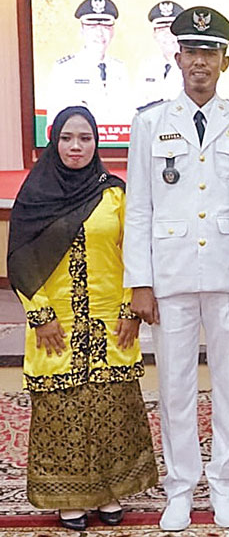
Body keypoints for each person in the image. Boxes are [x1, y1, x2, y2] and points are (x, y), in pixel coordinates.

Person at [123, 6, 229, 531]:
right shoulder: (149, 123)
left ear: (225, 61)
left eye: (210, 53)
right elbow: (139, 208)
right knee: (175, 386)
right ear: (178, 56)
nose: (200, 63)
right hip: (170, 275)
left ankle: (225, 487)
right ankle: (181, 489)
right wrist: (139, 282)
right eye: (191, 52)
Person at [7, 106, 158, 532]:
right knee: (62, 413)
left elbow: (136, 254)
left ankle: (109, 493)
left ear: (97, 143)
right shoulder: (35, 196)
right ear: (55, 143)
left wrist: (133, 310)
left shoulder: (114, 194)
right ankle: (68, 500)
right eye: (68, 138)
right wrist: (41, 316)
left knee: (111, 411)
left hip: (111, 323)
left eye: (86, 138)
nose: (77, 147)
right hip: (56, 326)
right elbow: (18, 260)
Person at [46, 0, 132, 129]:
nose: (99, 33)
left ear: (113, 31)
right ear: (81, 30)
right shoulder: (64, 69)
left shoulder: (121, 68)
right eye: (92, 27)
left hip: (119, 145)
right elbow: (54, 124)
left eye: (105, 26)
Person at [137, 1, 185, 106]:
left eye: (172, 29)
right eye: (161, 29)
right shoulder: (146, 66)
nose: (167, 34)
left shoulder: (193, 65)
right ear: (154, 34)